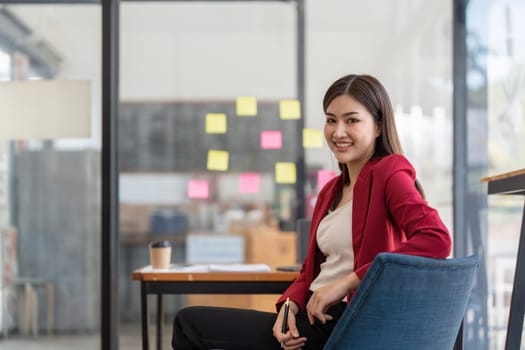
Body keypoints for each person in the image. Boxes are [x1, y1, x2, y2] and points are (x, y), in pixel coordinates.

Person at [172, 74, 452, 350]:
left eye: (352, 120)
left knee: (189, 324)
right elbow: (311, 270)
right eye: (331, 120)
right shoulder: (330, 190)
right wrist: (290, 304)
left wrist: (348, 282)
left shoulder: (389, 172)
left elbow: (436, 238)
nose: (338, 131)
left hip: (349, 320)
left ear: (378, 126)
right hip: (313, 320)